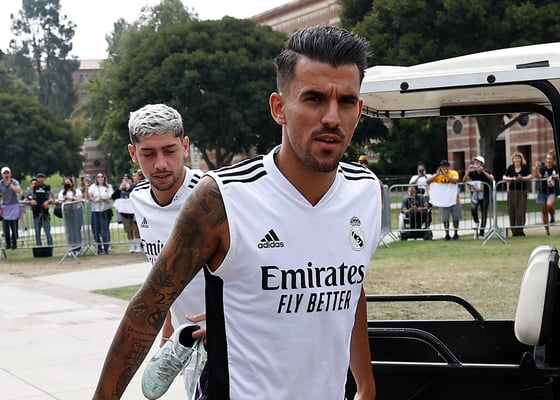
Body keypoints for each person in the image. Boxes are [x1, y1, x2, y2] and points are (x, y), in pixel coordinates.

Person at [92, 26, 380, 400]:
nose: (331, 117)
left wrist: (366, 385)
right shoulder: (222, 198)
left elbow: (351, 288)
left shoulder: (365, 191)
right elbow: (148, 306)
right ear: (279, 107)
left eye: (346, 101)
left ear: (359, 109)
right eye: (313, 99)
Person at [123, 103, 205, 397]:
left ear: (185, 146)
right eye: (148, 153)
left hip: (236, 340)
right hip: (188, 344)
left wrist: (227, 319)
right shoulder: (139, 199)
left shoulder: (214, 194)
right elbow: (167, 277)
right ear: (133, 153)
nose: (160, 164)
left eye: (169, 151)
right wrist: (167, 337)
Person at [427, 159, 461, 240]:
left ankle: (456, 233)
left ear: (448, 167)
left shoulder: (453, 173)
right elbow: (428, 181)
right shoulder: (437, 175)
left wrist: (445, 174)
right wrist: (436, 175)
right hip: (443, 200)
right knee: (445, 218)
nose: (444, 168)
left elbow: (455, 181)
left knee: (456, 217)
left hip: (455, 199)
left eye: (445, 167)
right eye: (442, 167)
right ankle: (447, 234)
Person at [463, 156, 494, 237]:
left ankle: (482, 232)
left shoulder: (486, 171)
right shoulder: (472, 173)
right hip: (475, 194)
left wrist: (483, 171)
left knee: (484, 213)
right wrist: (468, 171)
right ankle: (476, 221)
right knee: (473, 208)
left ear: (482, 164)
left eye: (478, 162)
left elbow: (491, 178)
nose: (475, 163)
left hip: (485, 195)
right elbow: (464, 180)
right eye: (475, 162)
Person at [502, 152, 532, 236]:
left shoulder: (524, 167)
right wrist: (512, 179)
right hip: (512, 192)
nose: (517, 160)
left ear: (521, 159)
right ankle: (514, 231)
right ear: (513, 160)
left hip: (522, 191)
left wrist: (522, 178)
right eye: (515, 158)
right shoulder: (510, 168)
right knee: (512, 212)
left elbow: (530, 176)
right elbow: (504, 177)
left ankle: (520, 230)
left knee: (521, 212)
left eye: (518, 158)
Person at [112, 173, 141, 253]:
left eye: (127, 180)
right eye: (124, 180)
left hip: (134, 213)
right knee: (128, 230)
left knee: (136, 230)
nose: (126, 181)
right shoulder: (120, 189)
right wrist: (119, 189)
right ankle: (132, 246)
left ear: (131, 180)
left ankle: (138, 246)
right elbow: (113, 197)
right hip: (125, 213)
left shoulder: (134, 187)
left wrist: (129, 187)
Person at [534, 150, 559, 235]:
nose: (548, 160)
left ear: (553, 160)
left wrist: (552, 176)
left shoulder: (555, 167)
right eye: (547, 158)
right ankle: (547, 231)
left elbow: (558, 175)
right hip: (542, 191)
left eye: (550, 159)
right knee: (544, 211)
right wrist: (536, 169)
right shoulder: (542, 167)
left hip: (552, 191)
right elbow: (538, 177)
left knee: (549, 205)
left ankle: (552, 216)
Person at [87, 173, 113, 254]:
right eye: (98, 177)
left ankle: (106, 248)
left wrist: (101, 198)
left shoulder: (108, 186)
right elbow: (89, 196)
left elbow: (110, 196)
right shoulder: (93, 186)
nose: (100, 178)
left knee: (104, 230)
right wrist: (92, 197)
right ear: (96, 178)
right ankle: (98, 247)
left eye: (102, 177)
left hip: (105, 210)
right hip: (95, 210)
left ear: (104, 178)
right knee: (95, 230)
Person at [58, 177, 84, 253]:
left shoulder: (76, 191)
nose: (67, 184)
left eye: (68, 182)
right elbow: (59, 200)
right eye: (66, 183)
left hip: (76, 211)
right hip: (67, 212)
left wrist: (70, 198)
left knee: (76, 230)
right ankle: (71, 248)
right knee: (69, 230)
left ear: (72, 183)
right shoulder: (62, 192)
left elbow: (79, 198)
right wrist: (64, 199)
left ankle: (78, 247)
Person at [0, 166, 22, 250]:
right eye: (4, 173)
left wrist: (10, 184)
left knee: (14, 226)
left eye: (7, 173)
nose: (6, 175)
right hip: (5, 206)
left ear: (10, 174)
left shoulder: (14, 182)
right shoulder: (0, 183)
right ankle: (8, 243)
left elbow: (18, 191)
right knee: (5, 226)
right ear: (2, 175)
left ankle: (14, 243)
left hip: (14, 204)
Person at [30, 173, 55, 246]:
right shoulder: (35, 187)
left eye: (42, 177)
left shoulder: (46, 187)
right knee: (37, 233)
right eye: (39, 178)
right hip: (36, 212)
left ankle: (50, 246)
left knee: (47, 231)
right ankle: (39, 247)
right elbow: (32, 197)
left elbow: (51, 198)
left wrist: (47, 202)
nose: (40, 179)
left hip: (45, 212)